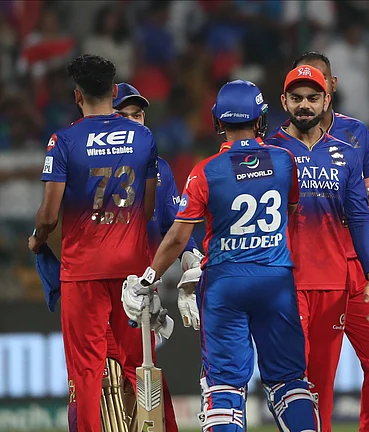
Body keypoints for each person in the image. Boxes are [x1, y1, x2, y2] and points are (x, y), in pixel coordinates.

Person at [122, 79, 321, 432]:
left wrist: (148, 278)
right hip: (276, 281)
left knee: (225, 387)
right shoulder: (285, 160)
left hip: (225, 285)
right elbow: (290, 210)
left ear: (217, 122)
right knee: (290, 382)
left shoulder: (204, 172)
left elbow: (177, 237)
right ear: (261, 119)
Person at [28, 54, 163, 431]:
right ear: (116, 91)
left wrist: (38, 240)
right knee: (140, 365)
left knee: (86, 372)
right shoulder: (144, 136)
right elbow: (148, 206)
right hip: (132, 272)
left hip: (83, 272)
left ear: (77, 96)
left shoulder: (64, 140)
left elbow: (49, 216)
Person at [265, 64, 369, 431]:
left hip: (333, 283)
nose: (304, 105)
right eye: (297, 98)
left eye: (312, 98)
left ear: (326, 100)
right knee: (291, 381)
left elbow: (360, 218)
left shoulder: (346, 153)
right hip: (285, 282)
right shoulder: (267, 151)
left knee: (322, 385)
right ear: (283, 101)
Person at [291, 51, 369, 432]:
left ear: (330, 88)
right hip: (315, 267)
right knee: (315, 373)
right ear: (289, 96)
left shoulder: (356, 134)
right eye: (300, 91)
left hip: (356, 261)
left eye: (317, 86)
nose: (309, 97)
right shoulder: (280, 144)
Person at [107, 82, 204, 432]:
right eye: (125, 115)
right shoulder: (90, 164)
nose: (135, 122)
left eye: (139, 114)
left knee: (139, 375)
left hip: (138, 290)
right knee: (100, 380)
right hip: (97, 284)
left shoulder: (159, 168)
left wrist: (192, 256)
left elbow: (174, 225)